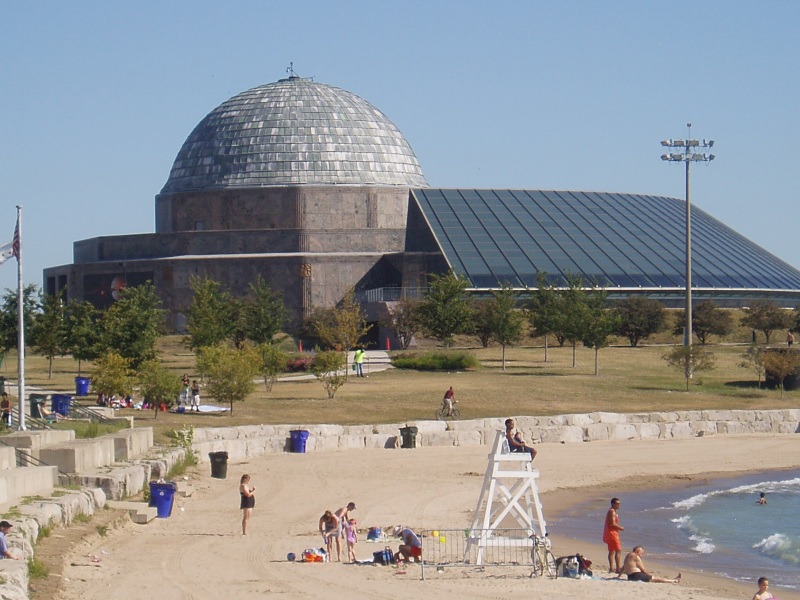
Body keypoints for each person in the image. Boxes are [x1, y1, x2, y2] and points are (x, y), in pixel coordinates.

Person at [603, 497, 624, 574]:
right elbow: (613, 524)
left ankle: (612, 568)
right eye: (617, 503)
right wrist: (621, 528)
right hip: (612, 533)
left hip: (610, 533)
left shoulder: (612, 511)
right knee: (618, 550)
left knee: (612, 551)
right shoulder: (612, 511)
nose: (619, 505)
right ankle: (618, 569)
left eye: (619, 503)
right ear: (613, 504)